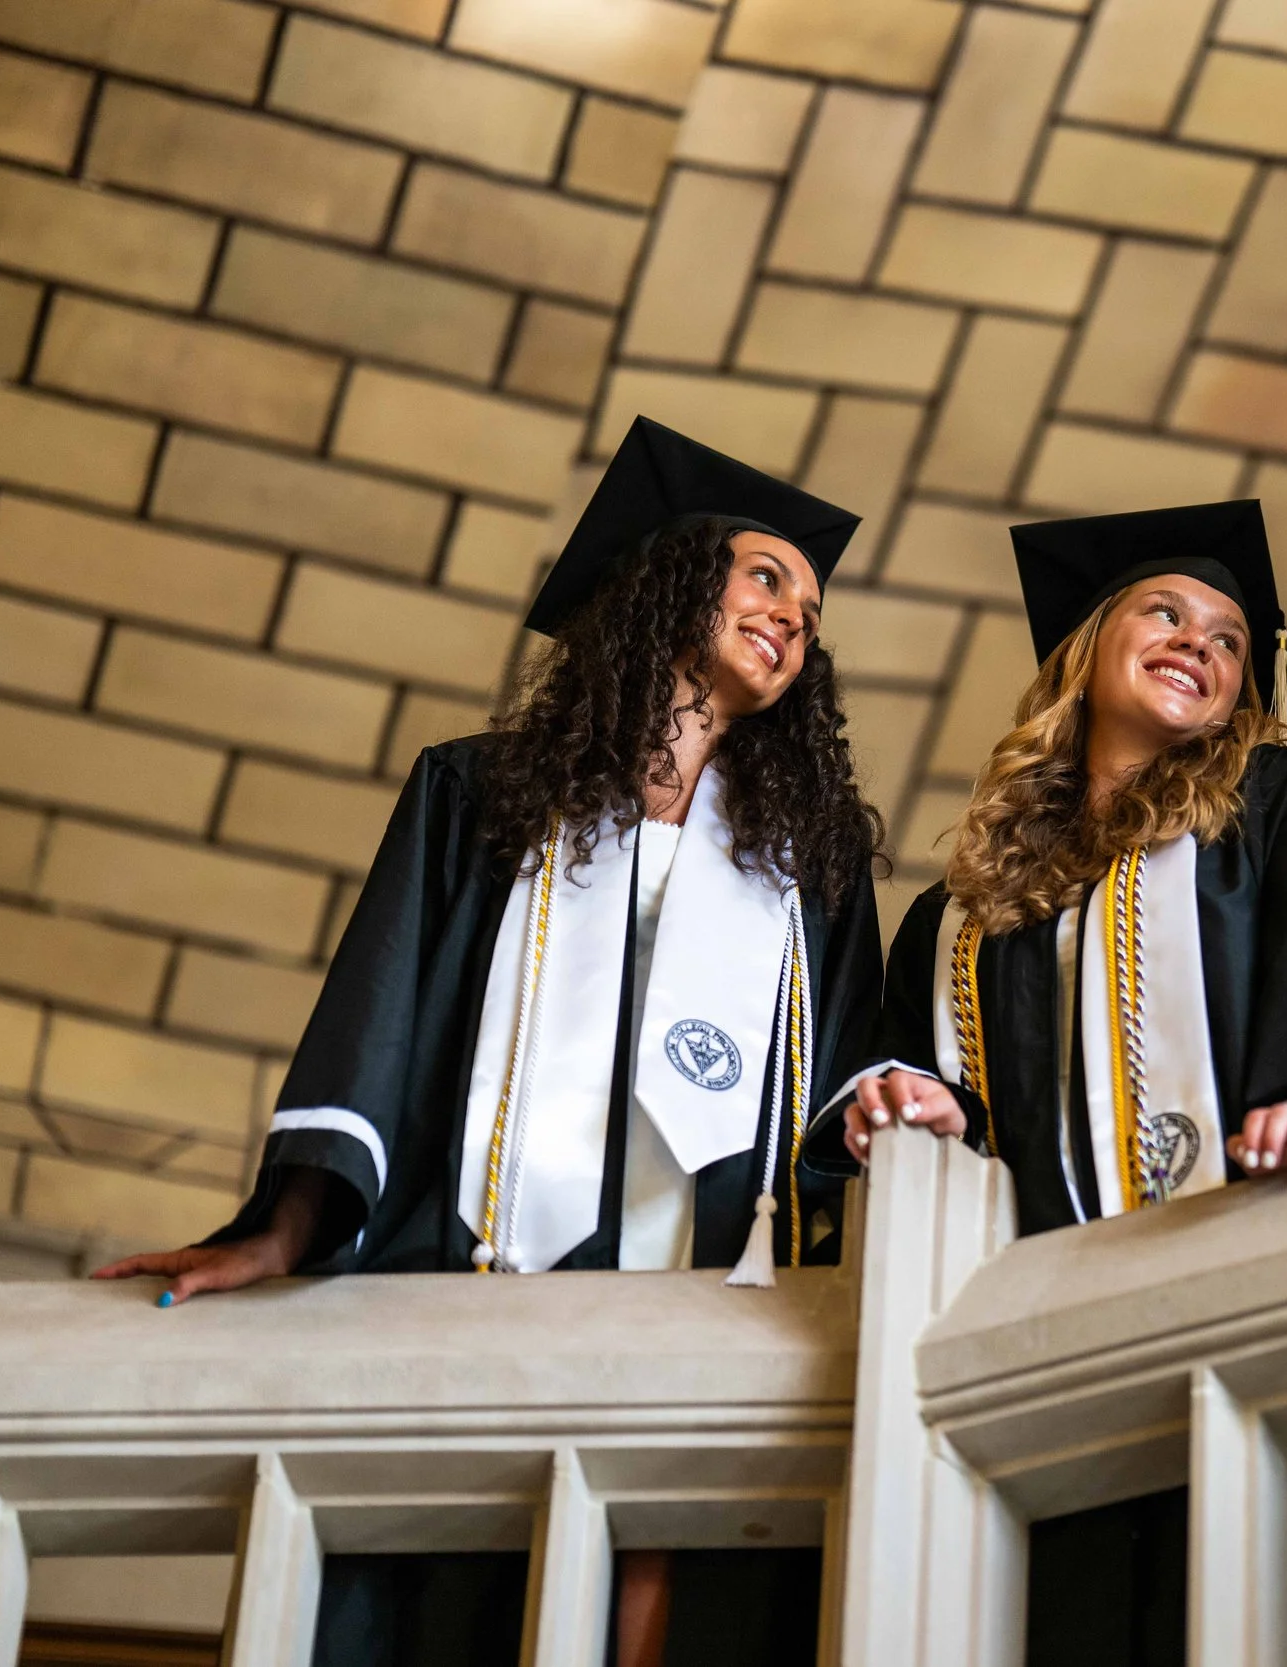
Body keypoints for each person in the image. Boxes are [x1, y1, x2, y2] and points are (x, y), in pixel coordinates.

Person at [92, 416, 885, 1667]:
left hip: (698, 1319)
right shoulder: (482, 796)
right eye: (768, 575)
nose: (796, 614)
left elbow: (842, 1093)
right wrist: (283, 1227)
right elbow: (381, 1019)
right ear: (672, 581)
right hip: (474, 1284)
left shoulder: (809, 871)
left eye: (813, 606)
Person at [809, 500, 1287, 1667]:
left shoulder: (1270, 804)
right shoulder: (957, 912)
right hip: (1047, 1349)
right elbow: (924, 1080)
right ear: (1085, 642)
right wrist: (914, 1102)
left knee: (1278, 1599)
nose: (1201, 645)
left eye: (1227, 639)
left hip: (1248, 1274)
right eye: (1166, 612)